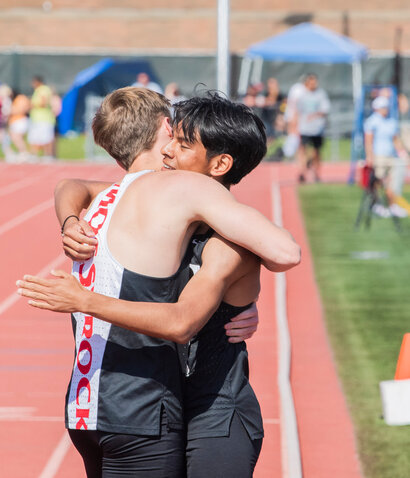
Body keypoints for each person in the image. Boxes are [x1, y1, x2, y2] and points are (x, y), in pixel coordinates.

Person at [16, 88, 300, 477]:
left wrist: (83, 299)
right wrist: (69, 219)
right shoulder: (168, 203)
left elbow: (282, 255)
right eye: (173, 139)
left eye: (182, 145)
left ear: (218, 166)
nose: (169, 152)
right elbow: (74, 184)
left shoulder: (224, 238)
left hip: (215, 409)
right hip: (163, 404)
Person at [365, 94, 410, 218]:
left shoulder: (391, 121)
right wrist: (370, 156)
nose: (385, 109)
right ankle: (377, 204)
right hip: (378, 156)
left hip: (391, 156)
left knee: (392, 182)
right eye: (382, 107)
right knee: (377, 180)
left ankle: (392, 205)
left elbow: (395, 140)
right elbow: (368, 141)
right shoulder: (372, 121)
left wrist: (402, 153)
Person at [294, 73, 330, 183]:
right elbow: (297, 111)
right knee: (302, 150)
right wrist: (295, 125)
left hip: (317, 129)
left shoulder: (321, 94)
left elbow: (325, 110)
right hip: (305, 128)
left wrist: (315, 115)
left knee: (316, 152)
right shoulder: (302, 95)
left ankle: (316, 172)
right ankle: (302, 172)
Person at [28, 75, 56, 158]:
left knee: (46, 138)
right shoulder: (37, 90)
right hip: (37, 119)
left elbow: (43, 102)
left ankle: (48, 155)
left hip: (44, 119)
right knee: (35, 138)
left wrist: (31, 104)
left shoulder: (43, 89)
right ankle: (34, 154)